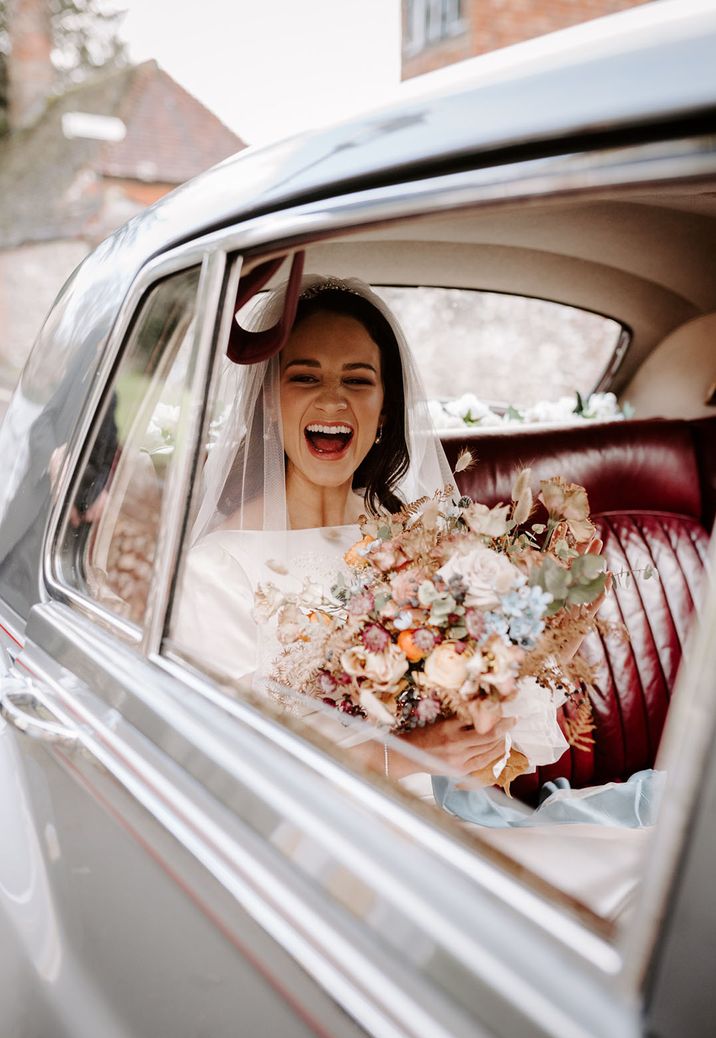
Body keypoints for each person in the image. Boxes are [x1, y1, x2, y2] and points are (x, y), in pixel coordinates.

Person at [173, 273, 567, 781]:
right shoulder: (218, 568)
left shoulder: (424, 534)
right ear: (270, 402)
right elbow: (227, 764)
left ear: (384, 410)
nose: (333, 401)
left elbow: (506, 739)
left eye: (358, 380)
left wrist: (560, 631)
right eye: (305, 377)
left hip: (466, 814)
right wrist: (404, 755)